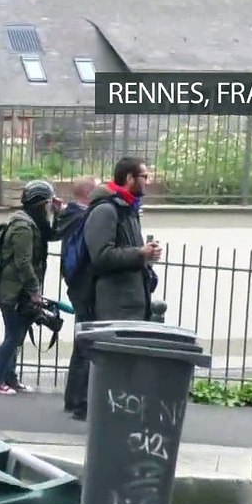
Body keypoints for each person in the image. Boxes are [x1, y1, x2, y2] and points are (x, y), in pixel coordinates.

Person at [72, 157, 161, 420]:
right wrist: (139, 254)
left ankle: (113, 407)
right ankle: (90, 407)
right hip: (114, 300)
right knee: (106, 357)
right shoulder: (106, 210)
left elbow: (128, 252)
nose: (147, 181)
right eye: (144, 176)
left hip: (131, 299)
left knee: (124, 361)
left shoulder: (128, 209)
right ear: (129, 178)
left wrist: (146, 257)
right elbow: (101, 256)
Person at [0, 180, 61, 396]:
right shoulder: (23, 227)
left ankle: (10, 378)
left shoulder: (32, 223)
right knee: (13, 336)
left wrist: (57, 214)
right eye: (47, 204)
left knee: (17, 336)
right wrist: (34, 290)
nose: (48, 207)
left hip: (19, 291)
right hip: (12, 292)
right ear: (38, 204)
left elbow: (52, 235)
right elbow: (23, 262)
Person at [57, 175, 98, 414]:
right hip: (84, 286)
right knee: (85, 345)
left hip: (76, 285)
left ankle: (73, 397)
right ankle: (80, 401)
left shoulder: (70, 215)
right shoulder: (83, 219)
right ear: (88, 194)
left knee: (82, 342)